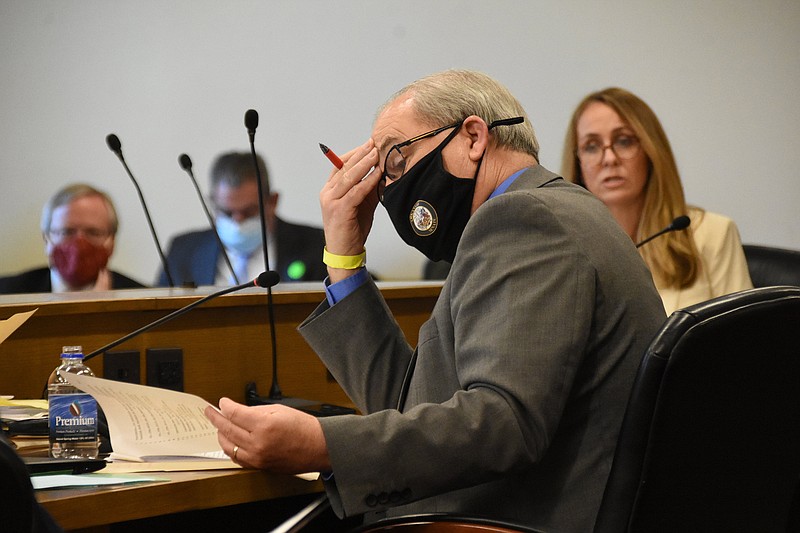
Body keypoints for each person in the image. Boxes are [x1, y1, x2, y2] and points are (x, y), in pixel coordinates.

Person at [204, 70, 666, 532]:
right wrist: (344, 261)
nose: (386, 187)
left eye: (397, 159)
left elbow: (503, 424)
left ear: (472, 137)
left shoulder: (523, 218)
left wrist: (324, 445)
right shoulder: (545, 213)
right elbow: (411, 406)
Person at [562, 87, 753, 314]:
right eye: (591, 146)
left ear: (651, 151)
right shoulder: (566, 250)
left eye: (624, 141)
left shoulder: (713, 233)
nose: (610, 159)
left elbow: (744, 338)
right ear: (578, 164)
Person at [157, 152, 327, 286]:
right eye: (227, 212)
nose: (237, 221)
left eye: (249, 211)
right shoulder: (183, 251)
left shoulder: (317, 245)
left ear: (272, 202)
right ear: (212, 203)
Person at [0, 183, 144, 294]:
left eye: (93, 232)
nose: (79, 243)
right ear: (46, 239)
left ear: (111, 242)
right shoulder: (7, 293)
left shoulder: (145, 302)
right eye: (66, 232)